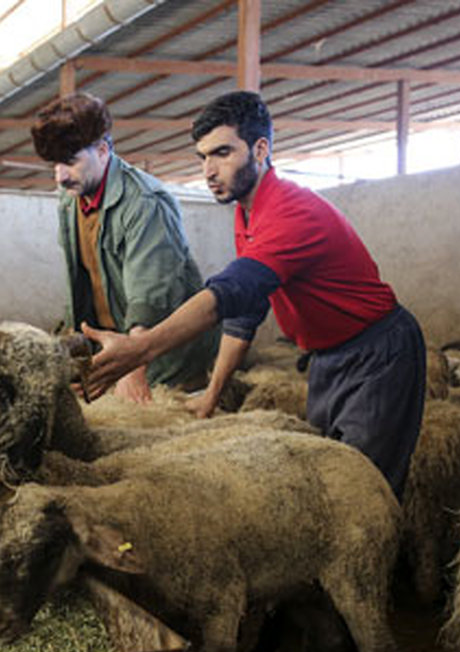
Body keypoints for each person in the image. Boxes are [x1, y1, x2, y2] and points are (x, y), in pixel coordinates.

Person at [83, 91, 426, 499]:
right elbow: (245, 313)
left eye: (222, 153)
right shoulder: (249, 213)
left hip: (376, 353)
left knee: (361, 493)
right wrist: (211, 396)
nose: (209, 170)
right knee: (329, 477)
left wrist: (142, 350)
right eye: (203, 157)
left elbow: (231, 291)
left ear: (260, 149)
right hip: (327, 359)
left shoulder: (291, 211)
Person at [31, 92, 218, 402]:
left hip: (165, 356)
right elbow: (79, 280)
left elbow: (151, 295)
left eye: (70, 161)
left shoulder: (145, 202)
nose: (60, 176)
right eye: (55, 165)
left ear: (103, 150)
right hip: (114, 345)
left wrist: (133, 368)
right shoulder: (69, 199)